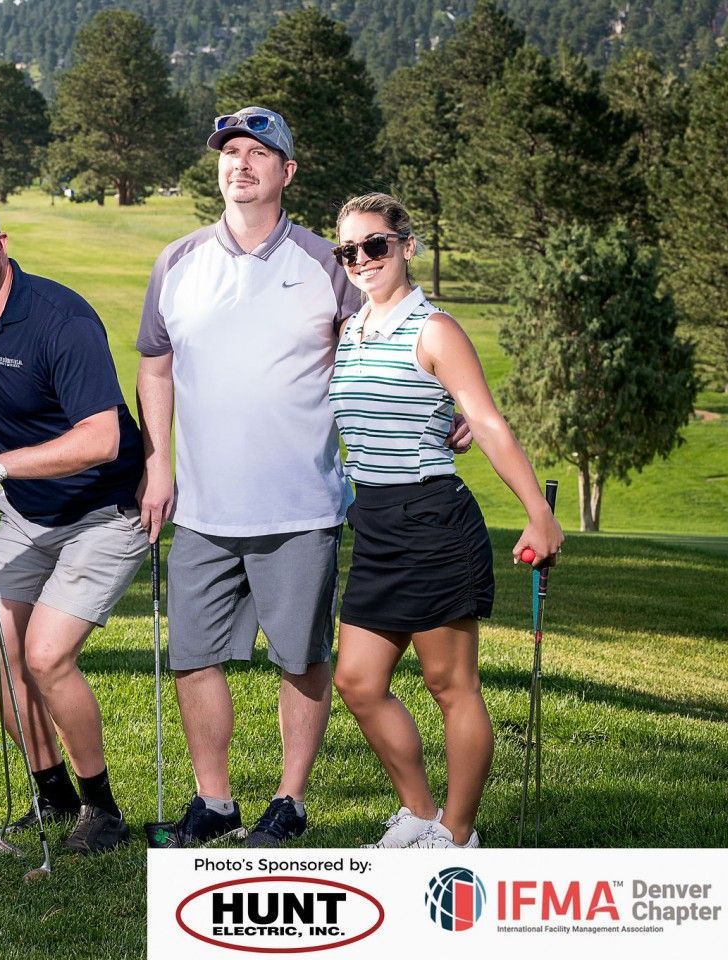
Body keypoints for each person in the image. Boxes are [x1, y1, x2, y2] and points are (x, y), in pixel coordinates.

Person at [137, 107, 470, 849]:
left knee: (303, 659)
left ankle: (288, 801)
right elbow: (154, 364)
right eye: (230, 153)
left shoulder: (330, 262)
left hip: (301, 506)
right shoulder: (177, 261)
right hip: (200, 508)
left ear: (287, 173)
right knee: (193, 656)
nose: (241, 164)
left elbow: (402, 326)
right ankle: (213, 802)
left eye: (259, 153)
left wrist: (456, 402)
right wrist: (158, 462)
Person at [327, 192, 564, 849]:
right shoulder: (352, 329)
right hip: (374, 521)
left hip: (432, 519)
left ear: (406, 245)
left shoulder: (434, 329)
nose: (361, 260)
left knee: (448, 684)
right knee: (357, 681)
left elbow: (484, 420)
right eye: (347, 251)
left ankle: (456, 834)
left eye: (374, 245)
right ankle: (418, 812)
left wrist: (537, 513)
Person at [0, 195, 150, 855]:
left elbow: (102, 438)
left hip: (104, 508)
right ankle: (51, 794)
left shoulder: (59, 320)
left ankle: (101, 812)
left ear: (1, 242)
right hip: (27, 509)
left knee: (47, 656)